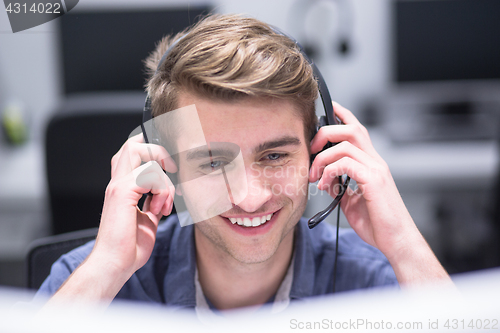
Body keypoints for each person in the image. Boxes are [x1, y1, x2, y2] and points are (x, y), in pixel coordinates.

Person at [36, 14, 451, 313]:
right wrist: (107, 269)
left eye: (274, 156)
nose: (250, 198)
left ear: (318, 154)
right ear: (166, 168)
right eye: (213, 162)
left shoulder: (379, 286)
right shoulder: (91, 285)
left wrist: (404, 244)